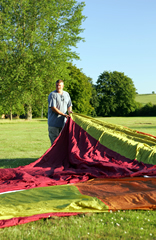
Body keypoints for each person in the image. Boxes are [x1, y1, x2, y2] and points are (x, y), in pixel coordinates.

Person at [48, 79, 72, 145]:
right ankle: (54, 156)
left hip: (63, 124)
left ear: (63, 86)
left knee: (63, 143)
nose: (58, 87)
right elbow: (53, 108)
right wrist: (64, 115)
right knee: (55, 143)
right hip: (54, 124)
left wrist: (70, 112)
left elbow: (69, 105)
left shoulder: (66, 94)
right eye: (57, 85)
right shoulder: (52, 94)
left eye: (60, 85)